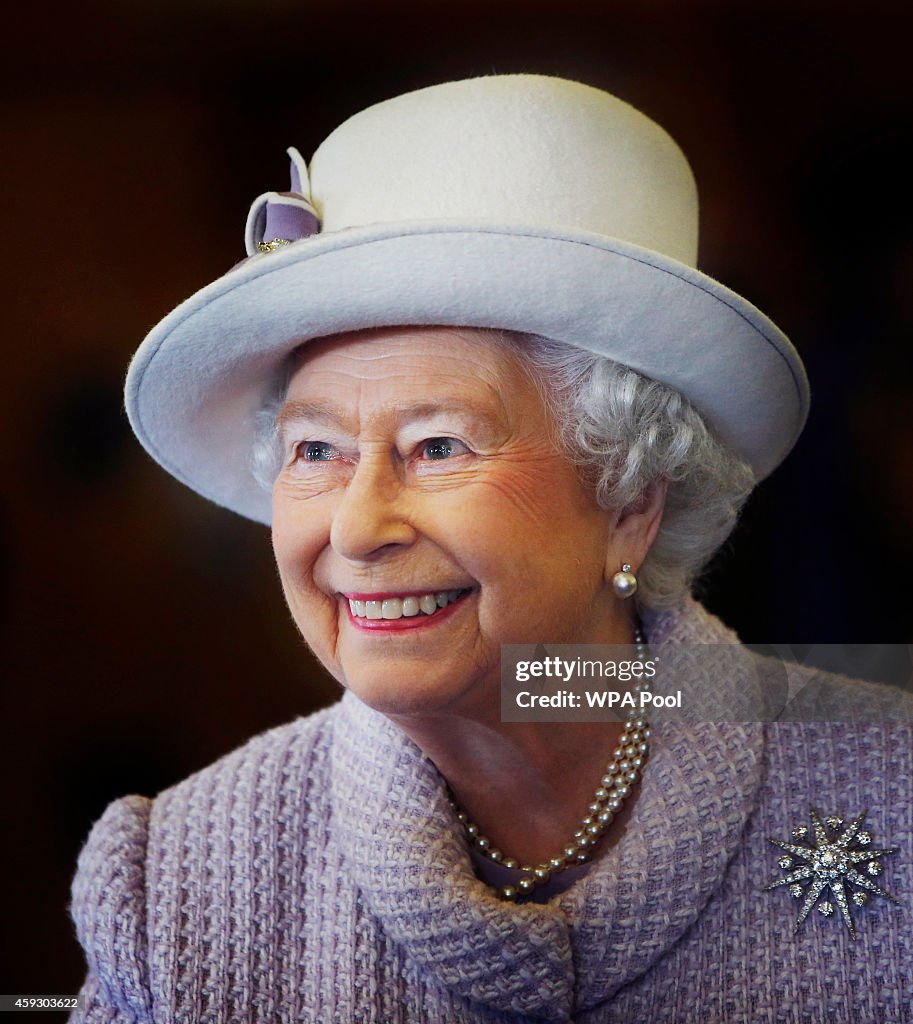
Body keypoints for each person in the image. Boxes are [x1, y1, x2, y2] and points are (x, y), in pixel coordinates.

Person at [68, 75, 912, 1023]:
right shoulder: (172, 880)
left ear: (630, 501)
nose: (355, 528)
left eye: (437, 447)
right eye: (317, 452)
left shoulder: (890, 785)